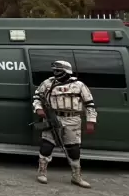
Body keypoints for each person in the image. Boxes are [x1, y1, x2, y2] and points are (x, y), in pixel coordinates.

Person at [33, 60, 97, 188]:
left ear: (67, 71)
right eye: (55, 71)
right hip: (53, 117)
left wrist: (91, 121)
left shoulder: (79, 85)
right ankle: (42, 172)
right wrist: (38, 109)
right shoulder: (48, 83)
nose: (56, 74)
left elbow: (89, 104)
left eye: (59, 71)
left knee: (73, 149)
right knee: (47, 145)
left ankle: (76, 176)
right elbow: (37, 98)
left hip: (72, 119)